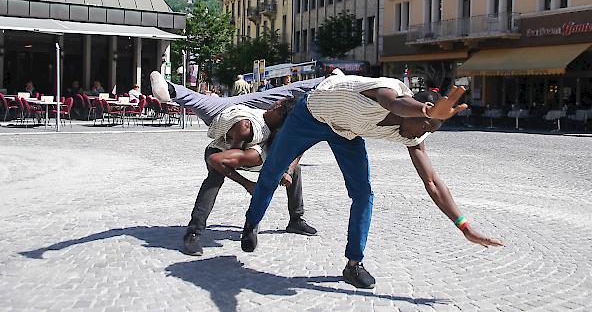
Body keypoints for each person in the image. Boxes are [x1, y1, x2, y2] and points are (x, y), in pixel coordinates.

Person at [241, 72, 503, 289]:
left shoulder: (414, 136)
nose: (422, 134)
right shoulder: (387, 91)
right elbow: (392, 102)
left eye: (429, 130)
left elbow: (432, 181)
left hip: (346, 132)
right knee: (274, 169)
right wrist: (427, 109)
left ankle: (354, 264)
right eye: (424, 125)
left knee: (363, 193)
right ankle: (252, 221)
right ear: (415, 111)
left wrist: (464, 226)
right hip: (311, 114)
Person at [150, 71, 323, 256]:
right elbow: (221, 160)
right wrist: (247, 184)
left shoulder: (279, 130)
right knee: (215, 177)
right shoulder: (248, 126)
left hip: (252, 151)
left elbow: (299, 149)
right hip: (223, 151)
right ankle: (193, 233)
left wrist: (287, 170)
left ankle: (296, 219)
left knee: (295, 170)